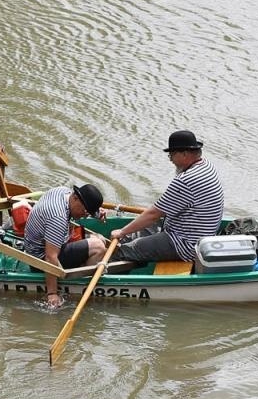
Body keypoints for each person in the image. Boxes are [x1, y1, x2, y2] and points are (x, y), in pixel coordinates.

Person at [110, 130, 224, 267]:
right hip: (197, 234)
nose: (171, 160)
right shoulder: (207, 166)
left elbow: (153, 214)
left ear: (185, 154)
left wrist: (122, 231)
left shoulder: (186, 180)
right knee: (140, 228)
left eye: (171, 155)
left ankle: (114, 272)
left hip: (185, 245)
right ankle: (127, 240)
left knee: (122, 251)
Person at [23, 183, 105, 308]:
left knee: (100, 239)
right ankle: (79, 281)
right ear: (76, 198)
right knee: (99, 247)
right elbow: (50, 257)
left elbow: (82, 210)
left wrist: (96, 213)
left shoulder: (62, 191)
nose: (84, 215)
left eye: (88, 212)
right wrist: (52, 293)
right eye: (85, 211)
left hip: (41, 244)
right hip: (39, 259)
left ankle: (81, 265)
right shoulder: (58, 217)